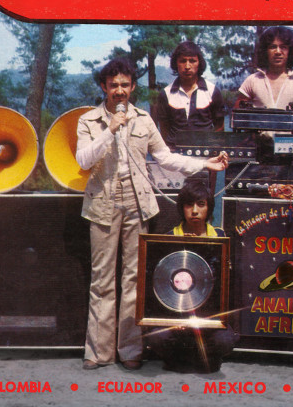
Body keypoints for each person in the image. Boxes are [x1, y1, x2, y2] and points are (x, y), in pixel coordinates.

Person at [75, 58, 228, 371]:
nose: (119, 91)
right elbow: (83, 160)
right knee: (102, 279)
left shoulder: (143, 120)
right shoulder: (88, 120)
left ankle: (130, 349)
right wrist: (110, 130)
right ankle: (98, 352)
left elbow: (166, 158)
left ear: (132, 87)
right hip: (102, 204)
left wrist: (204, 164)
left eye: (125, 85)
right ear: (104, 87)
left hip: (137, 204)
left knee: (134, 279)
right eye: (113, 85)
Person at [146, 181, 238, 373]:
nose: (195, 211)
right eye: (189, 205)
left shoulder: (221, 237)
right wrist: (172, 320)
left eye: (201, 204)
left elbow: (227, 285)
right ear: (182, 208)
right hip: (176, 318)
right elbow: (160, 287)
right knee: (156, 337)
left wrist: (210, 320)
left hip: (208, 319)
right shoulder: (169, 237)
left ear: (209, 208)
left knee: (226, 340)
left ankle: (202, 358)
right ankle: (182, 358)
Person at [236, 26, 293, 175]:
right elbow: (237, 118)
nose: (278, 51)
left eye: (283, 47)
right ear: (265, 51)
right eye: (273, 47)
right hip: (257, 154)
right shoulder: (252, 80)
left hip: (288, 154)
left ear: (290, 51)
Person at [156, 40, 226, 150]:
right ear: (176, 63)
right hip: (175, 155)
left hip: (205, 154)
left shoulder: (212, 91)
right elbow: (164, 129)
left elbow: (219, 127)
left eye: (192, 61)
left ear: (199, 63)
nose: (187, 66)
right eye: (183, 61)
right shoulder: (166, 94)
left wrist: (214, 150)